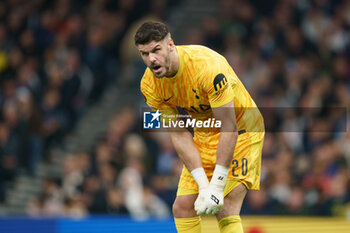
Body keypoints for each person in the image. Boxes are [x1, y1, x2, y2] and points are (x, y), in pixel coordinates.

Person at [135, 21, 264, 233]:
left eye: (156, 50)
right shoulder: (149, 86)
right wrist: (204, 185)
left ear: (170, 45)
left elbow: (229, 127)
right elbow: (178, 134)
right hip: (205, 134)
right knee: (182, 207)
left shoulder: (208, 68)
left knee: (226, 207)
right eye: (144, 54)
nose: (151, 59)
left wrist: (217, 185)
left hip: (243, 131)